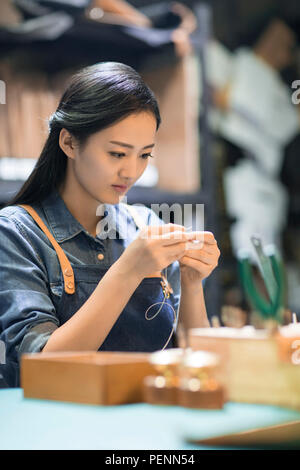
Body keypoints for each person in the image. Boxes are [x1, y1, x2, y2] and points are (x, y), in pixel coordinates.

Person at [0, 61, 220, 387]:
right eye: (118, 154)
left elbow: (193, 359)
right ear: (69, 143)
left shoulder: (146, 226)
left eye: (145, 155)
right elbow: (41, 367)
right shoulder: (17, 233)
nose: (131, 171)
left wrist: (190, 282)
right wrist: (128, 272)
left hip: (143, 429)